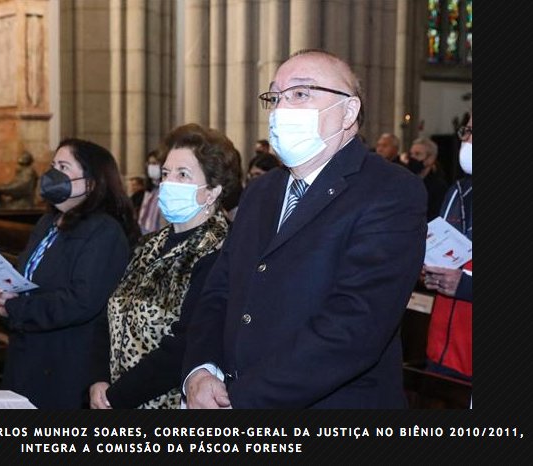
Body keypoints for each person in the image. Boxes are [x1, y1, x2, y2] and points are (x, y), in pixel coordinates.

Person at [183, 49, 427, 409]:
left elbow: (353, 327)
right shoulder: (261, 191)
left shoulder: (391, 190)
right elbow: (219, 290)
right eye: (275, 96)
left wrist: (241, 400)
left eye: (300, 93)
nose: (281, 108)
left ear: (348, 112)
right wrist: (200, 371)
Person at [89, 123, 241, 409]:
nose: (169, 183)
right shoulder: (149, 244)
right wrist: (98, 379)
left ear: (213, 190)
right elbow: (107, 314)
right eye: (166, 174)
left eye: (183, 175)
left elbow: (185, 344)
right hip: (113, 396)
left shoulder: (221, 249)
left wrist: (117, 396)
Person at [0, 139, 140, 408]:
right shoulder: (47, 222)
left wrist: (17, 308)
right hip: (29, 349)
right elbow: (29, 274)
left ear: (91, 182)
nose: (52, 174)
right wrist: (6, 292)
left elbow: (81, 301)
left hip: (65, 360)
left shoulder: (104, 231)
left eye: (63, 166)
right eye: (52, 166)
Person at [423, 114, 472, 381]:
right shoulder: (459, 190)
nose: (465, 139)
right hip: (443, 346)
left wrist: (465, 285)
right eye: (466, 130)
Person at [406, 137, 448, 221]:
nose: (412, 158)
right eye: (411, 154)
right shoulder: (405, 181)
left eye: (417, 154)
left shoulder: (439, 187)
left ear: (431, 159)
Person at [137, 150, 166, 234]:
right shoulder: (150, 191)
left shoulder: (167, 191)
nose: (151, 167)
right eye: (150, 163)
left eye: (155, 163)